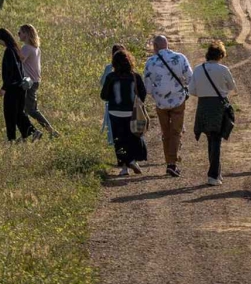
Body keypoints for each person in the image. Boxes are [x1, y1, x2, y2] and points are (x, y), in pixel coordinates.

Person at [142, 34, 193, 178]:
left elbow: (147, 87)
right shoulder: (180, 58)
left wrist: (157, 92)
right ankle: (171, 164)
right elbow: (190, 78)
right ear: (167, 44)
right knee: (175, 131)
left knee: (166, 132)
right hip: (178, 100)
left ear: (155, 47)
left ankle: (169, 161)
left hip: (161, 103)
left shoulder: (150, 62)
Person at [190, 40, 236, 186]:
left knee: (211, 139)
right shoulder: (223, 69)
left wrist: (204, 93)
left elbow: (191, 90)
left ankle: (216, 172)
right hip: (218, 106)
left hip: (203, 106)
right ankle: (213, 175)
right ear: (220, 55)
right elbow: (231, 86)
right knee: (216, 140)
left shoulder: (198, 69)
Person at [101, 49, 148, 176]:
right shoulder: (135, 76)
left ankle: (124, 167)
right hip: (131, 112)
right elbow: (143, 94)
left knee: (119, 139)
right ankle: (132, 160)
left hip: (115, 112)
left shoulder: (111, 77)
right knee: (132, 137)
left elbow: (103, 95)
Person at [16, 24, 57, 139]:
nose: (18, 35)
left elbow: (17, 61)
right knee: (24, 109)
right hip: (34, 82)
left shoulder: (27, 48)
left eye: (20, 32)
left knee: (31, 110)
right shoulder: (35, 48)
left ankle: (51, 131)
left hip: (29, 83)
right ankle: (26, 134)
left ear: (27, 34)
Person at [0, 28, 35, 142]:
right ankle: (32, 132)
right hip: (20, 87)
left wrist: (4, 88)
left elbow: (11, 71)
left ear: (3, 39)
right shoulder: (16, 49)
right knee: (18, 114)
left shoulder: (9, 51)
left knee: (9, 115)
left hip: (12, 88)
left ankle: (11, 139)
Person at [99, 43, 127, 136]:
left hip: (112, 105)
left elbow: (102, 83)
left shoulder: (109, 68)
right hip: (128, 106)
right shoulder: (129, 69)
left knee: (113, 131)